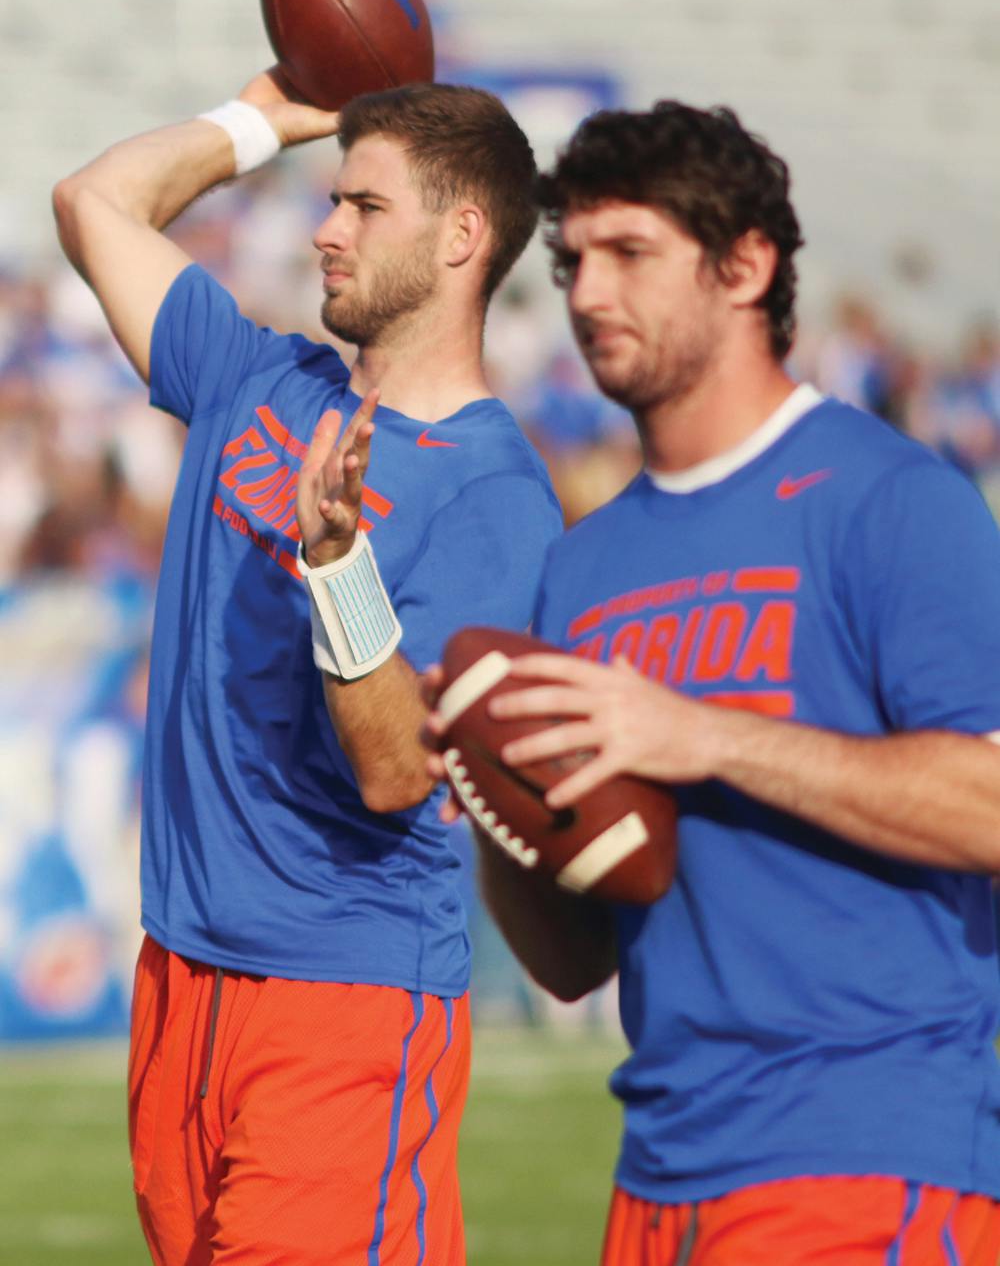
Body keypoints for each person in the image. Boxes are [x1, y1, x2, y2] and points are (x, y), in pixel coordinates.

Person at [425, 101, 1000, 1264]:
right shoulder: (582, 569)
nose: (587, 294)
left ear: (745, 266)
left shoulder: (891, 499)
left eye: (630, 253)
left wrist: (707, 737)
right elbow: (575, 956)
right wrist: (492, 801)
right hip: (659, 1170)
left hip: (869, 1151)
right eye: (575, 258)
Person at [52, 70, 562, 1266]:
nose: (324, 228)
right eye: (330, 198)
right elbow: (92, 204)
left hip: (342, 1000)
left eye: (364, 206)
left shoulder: (495, 491)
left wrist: (339, 565)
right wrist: (261, 122)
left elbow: (397, 771)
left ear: (463, 237)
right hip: (182, 974)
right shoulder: (260, 377)